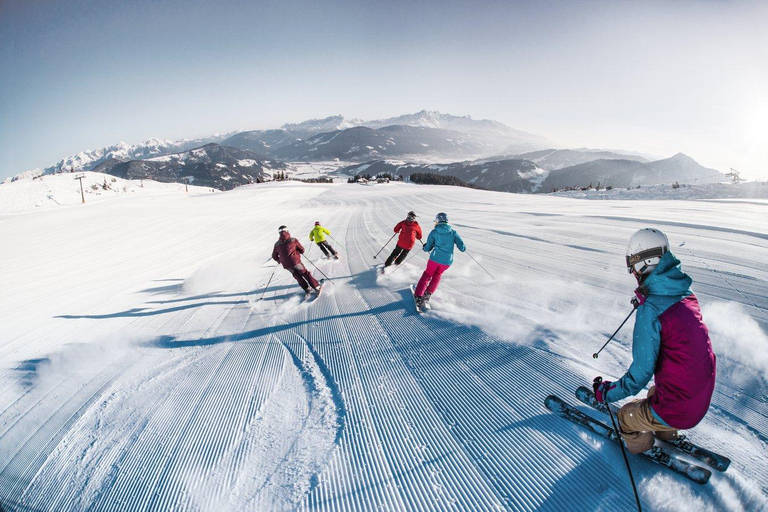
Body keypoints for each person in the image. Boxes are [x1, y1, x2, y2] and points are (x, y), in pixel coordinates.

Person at [593, 228, 716, 454]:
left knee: (626, 416)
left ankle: (643, 448)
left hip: (680, 410)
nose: (633, 273)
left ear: (644, 264)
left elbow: (639, 375)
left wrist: (606, 393)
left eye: (633, 267)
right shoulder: (686, 294)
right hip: (699, 400)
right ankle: (666, 430)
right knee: (654, 394)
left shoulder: (651, 311)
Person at [414, 212, 465, 308]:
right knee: (437, 275)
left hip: (435, 259)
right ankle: (428, 294)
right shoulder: (453, 232)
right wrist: (463, 248)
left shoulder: (434, 232)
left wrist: (425, 248)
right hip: (446, 262)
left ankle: (419, 295)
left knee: (427, 275)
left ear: (437, 221)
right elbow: (462, 247)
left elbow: (428, 247)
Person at [272, 225, 322, 295]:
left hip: (286, 265)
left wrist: (279, 259)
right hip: (296, 262)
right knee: (305, 273)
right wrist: (299, 251)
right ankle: (316, 287)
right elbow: (302, 249)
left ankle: (306, 288)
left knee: (296, 275)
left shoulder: (277, 244)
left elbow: (274, 256)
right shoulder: (293, 240)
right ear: (287, 231)